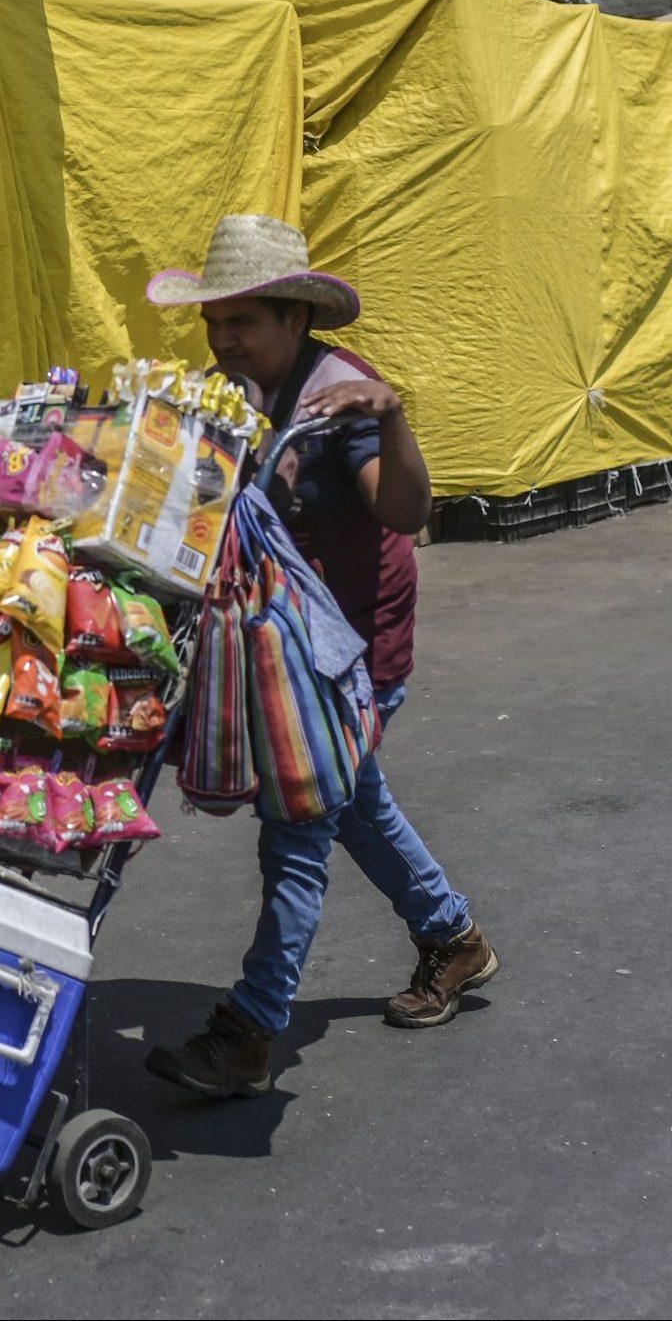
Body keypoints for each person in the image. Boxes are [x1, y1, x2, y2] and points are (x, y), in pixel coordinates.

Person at [138, 214, 500, 1100]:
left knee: (299, 829)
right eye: (214, 323)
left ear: (295, 318)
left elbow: (405, 512)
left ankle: (249, 1031)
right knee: (353, 802)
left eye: (243, 323)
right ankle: (453, 939)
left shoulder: (343, 400)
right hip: (280, 644)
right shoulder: (231, 393)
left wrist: (394, 416)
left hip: (348, 656)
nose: (224, 341)